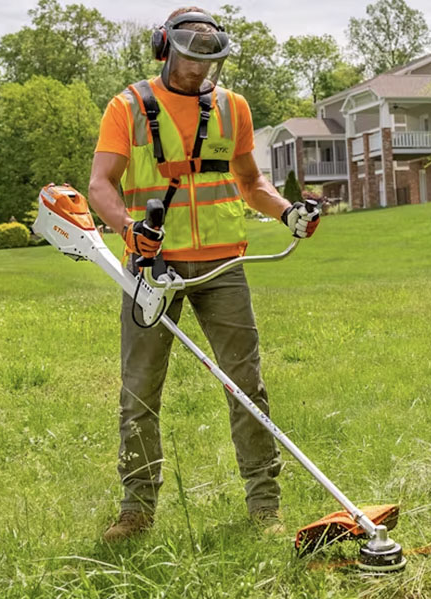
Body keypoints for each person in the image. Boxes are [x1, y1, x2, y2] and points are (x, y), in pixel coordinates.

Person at [88, 6, 320, 543]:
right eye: (190, 58)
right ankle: (136, 511)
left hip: (223, 266)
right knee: (139, 390)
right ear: (164, 48)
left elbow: (251, 182)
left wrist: (287, 212)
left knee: (246, 384)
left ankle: (265, 506)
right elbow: (101, 183)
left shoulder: (233, 108)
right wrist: (128, 230)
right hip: (152, 267)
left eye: (209, 61)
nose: (198, 71)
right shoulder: (127, 107)